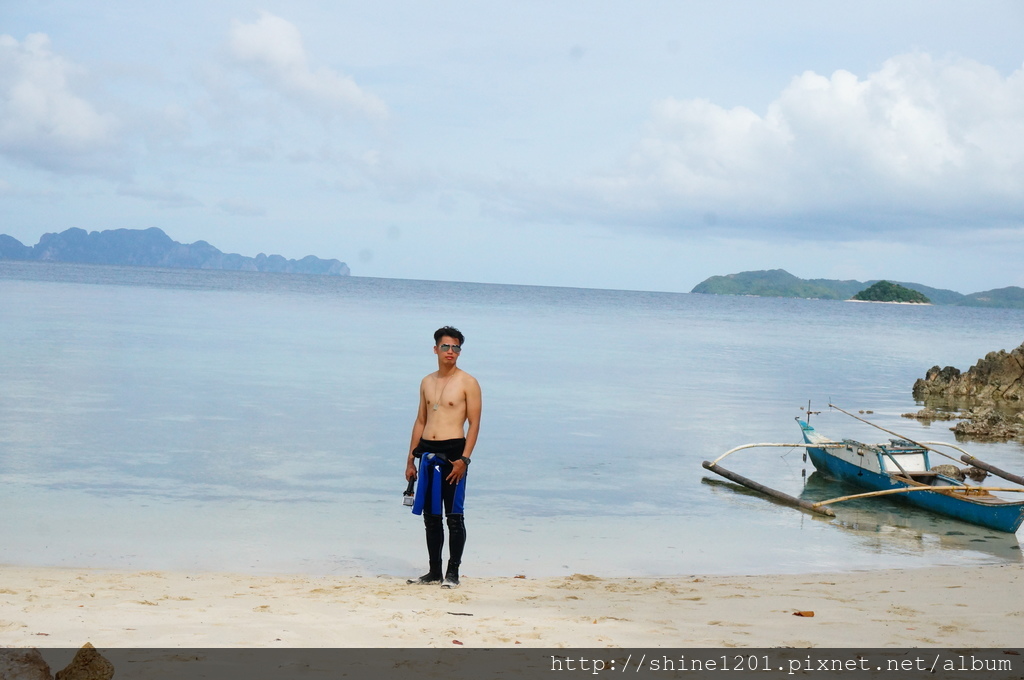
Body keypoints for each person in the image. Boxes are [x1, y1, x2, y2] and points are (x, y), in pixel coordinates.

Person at [405, 326, 482, 588]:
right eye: (446, 346)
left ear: (460, 351)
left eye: (456, 347)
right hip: (426, 452)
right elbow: (420, 420)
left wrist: (464, 459)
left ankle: (453, 573)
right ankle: (434, 571)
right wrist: (410, 460)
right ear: (436, 349)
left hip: (453, 455)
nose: (451, 351)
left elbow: (474, 424)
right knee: (431, 517)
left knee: (454, 516)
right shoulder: (427, 381)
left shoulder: (468, 382)